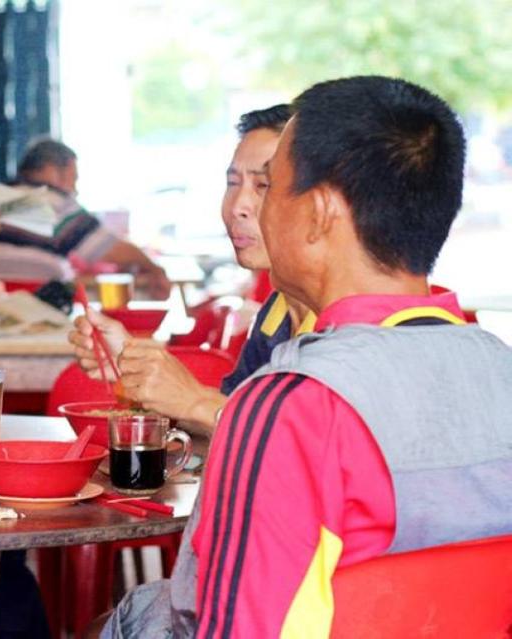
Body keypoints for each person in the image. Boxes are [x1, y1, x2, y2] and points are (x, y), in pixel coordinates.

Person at [99, 76, 512, 638]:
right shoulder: (500, 370)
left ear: (318, 214)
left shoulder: (292, 405)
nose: (255, 212)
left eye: (273, 189)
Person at [70, 105, 312, 431]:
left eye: (263, 185)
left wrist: (194, 399)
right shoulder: (277, 310)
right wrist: (134, 368)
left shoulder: (348, 325)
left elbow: (299, 445)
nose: (238, 206)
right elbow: (227, 420)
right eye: (232, 182)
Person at [0, 138, 171, 298]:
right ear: (53, 170)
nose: (75, 190)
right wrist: (154, 268)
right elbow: (112, 250)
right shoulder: (53, 201)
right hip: (33, 306)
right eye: (73, 178)